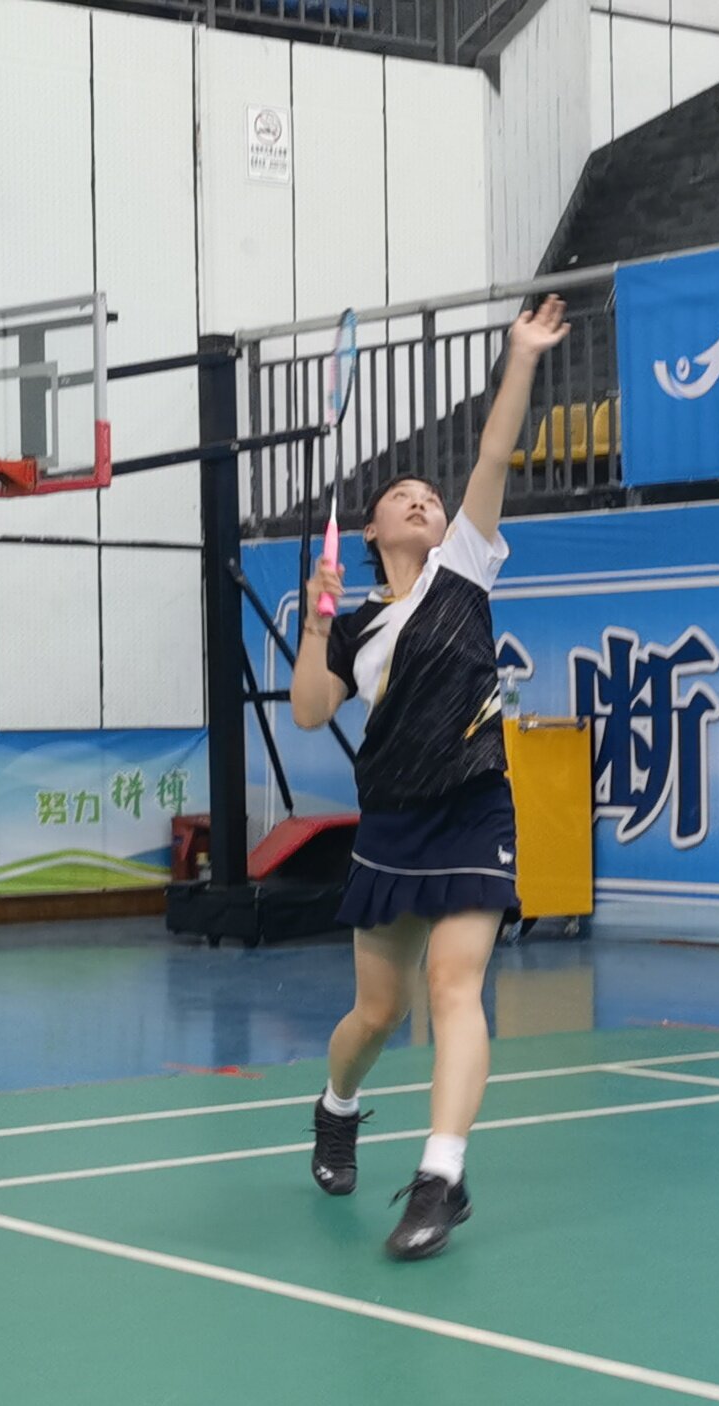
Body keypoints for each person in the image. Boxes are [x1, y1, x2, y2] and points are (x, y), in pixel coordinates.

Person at [289, 296, 570, 1258]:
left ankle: (441, 1177)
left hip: (474, 809)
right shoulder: (356, 625)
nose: (422, 501)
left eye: (430, 497)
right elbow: (310, 710)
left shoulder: (467, 568)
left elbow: (492, 452)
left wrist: (521, 357)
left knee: (456, 987)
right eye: (402, 496)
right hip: (393, 823)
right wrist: (317, 621)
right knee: (380, 1013)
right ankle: (337, 1105)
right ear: (370, 530)